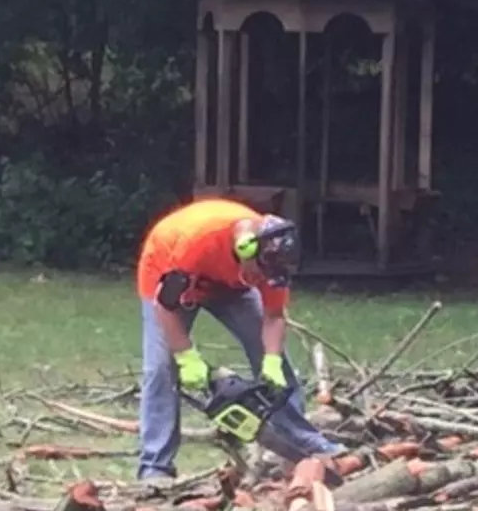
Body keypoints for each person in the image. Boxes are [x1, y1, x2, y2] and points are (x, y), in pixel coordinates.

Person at [136, 197, 343, 480]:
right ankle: (155, 465)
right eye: (262, 274)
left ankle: (302, 444)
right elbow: (166, 305)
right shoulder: (197, 243)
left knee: (276, 362)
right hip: (167, 273)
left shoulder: (273, 264)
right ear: (249, 253)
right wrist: (186, 356)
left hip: (229, 283)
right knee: (161, 367)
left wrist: (270, 360)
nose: (265, 282)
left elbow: (274, 316)